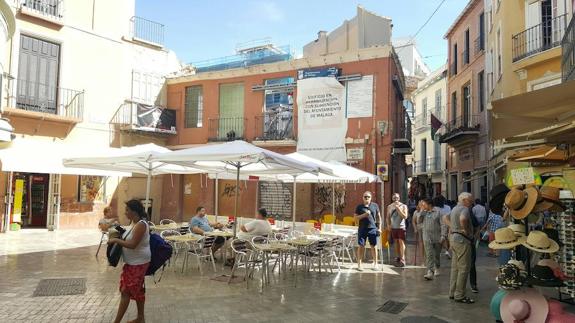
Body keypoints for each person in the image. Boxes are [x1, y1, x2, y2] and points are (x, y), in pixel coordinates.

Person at [107, 199, 150, 323]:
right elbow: (129, 235)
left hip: (138, 263)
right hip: (133, 263)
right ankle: (140, 318)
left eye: (127, 210)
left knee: (125, 292)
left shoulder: (141, 224)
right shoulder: (134, 223)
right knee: (139, 290)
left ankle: (116, 322)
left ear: (134, 211)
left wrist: (115, 240)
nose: (125, 213)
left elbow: (132, 244)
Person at [448, 192, 475, 304]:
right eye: (470, 200)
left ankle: (452, 292)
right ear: (464, 200)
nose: (472, 202)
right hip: (462, 240)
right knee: (464, 268)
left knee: (455, 268)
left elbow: (445, 217)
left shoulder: (454, 209)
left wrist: (454, 228)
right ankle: (459, 295)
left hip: (454, 239)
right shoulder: (464, 209)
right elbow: (463, 219)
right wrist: (465, 230)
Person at [354, 191, 382, 271]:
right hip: (362, 228)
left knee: (373, 246)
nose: (366, 198)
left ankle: (375, 263)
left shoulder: (375, 205)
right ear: (362, 198)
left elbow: (379, 217)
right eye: (365, 196)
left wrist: (379, 228)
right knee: (361, 246)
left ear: (371, 198)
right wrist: (364, 215)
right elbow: (355, 218)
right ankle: (359, 264)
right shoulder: (359, 207)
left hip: (372, 228)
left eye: (368, 197)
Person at [419, 198, 442, 280]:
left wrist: (443, 235)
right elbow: (419, 221)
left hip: (437, 236)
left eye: (424, 204)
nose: (422, 206)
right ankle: (430, 271)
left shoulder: (438, 212)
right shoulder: (424, 212)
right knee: (429, 254)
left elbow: (442, 224)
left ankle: (437, 267)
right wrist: (421, 212)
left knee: (436, 254)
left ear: (429, 204)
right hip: (426, 236)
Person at [387, 193, 408, 267]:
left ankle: (403, 258)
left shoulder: (403, 206)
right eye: (394, 197)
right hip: (393, 227)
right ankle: (397, 256)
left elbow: (405, 216)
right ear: (392, 198)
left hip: (401, 227)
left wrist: (398, 209)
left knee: (401, 242)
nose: (396, 199)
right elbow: (388, 217)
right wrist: (388, 225)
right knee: (395, 242)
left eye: (397, 197)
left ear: (399, 198)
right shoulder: (389, 206)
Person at [433, 195, 452, 259]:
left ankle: (441, 251)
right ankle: (446, 251)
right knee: (446, 238)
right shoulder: (448, 207)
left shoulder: (435, 208)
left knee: (441, 239)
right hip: (448, 225)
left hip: (438, 225)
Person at [411, 200, 425, 266]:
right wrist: (415, 228)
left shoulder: (427, 211)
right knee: (421, 245)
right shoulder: (416, 212)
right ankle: (422, 261)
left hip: (427, 229)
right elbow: (413, 221)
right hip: (420, 229)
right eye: (420, 204)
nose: (422, 205)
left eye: (423, 204)